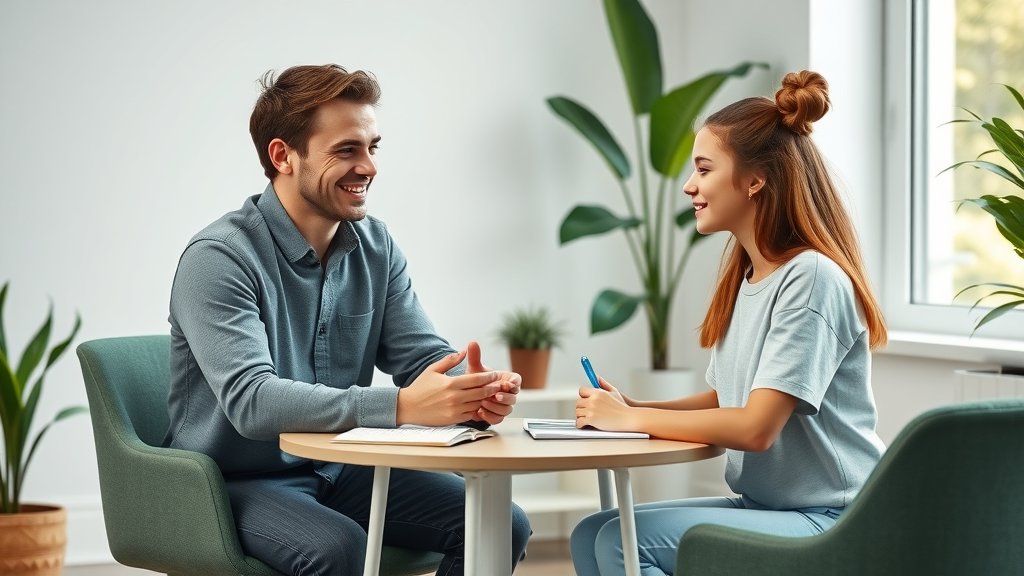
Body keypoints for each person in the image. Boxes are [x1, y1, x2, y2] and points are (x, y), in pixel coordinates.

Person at [164, 63, 531, 576]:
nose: (369, 167)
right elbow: (252, 402)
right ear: (282, 156)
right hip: (235, 481)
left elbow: (420, 356)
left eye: (372, 147)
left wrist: (471, 393)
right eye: (346, 150)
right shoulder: (220, 257)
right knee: (337, 547)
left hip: (340, 468)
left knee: (498, 521)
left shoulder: (375, 246)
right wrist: (401, 406)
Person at [569, 70, 888, 576]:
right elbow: (728, 399)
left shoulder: (811, 278)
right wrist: (636, 405)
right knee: (594, 532)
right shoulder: (751, 275)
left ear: (755, 179)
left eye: (703, 168)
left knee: (623, 544)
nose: (689, 186)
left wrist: (630, 421)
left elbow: (756, 427)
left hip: (832, 518)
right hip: (772, 509)